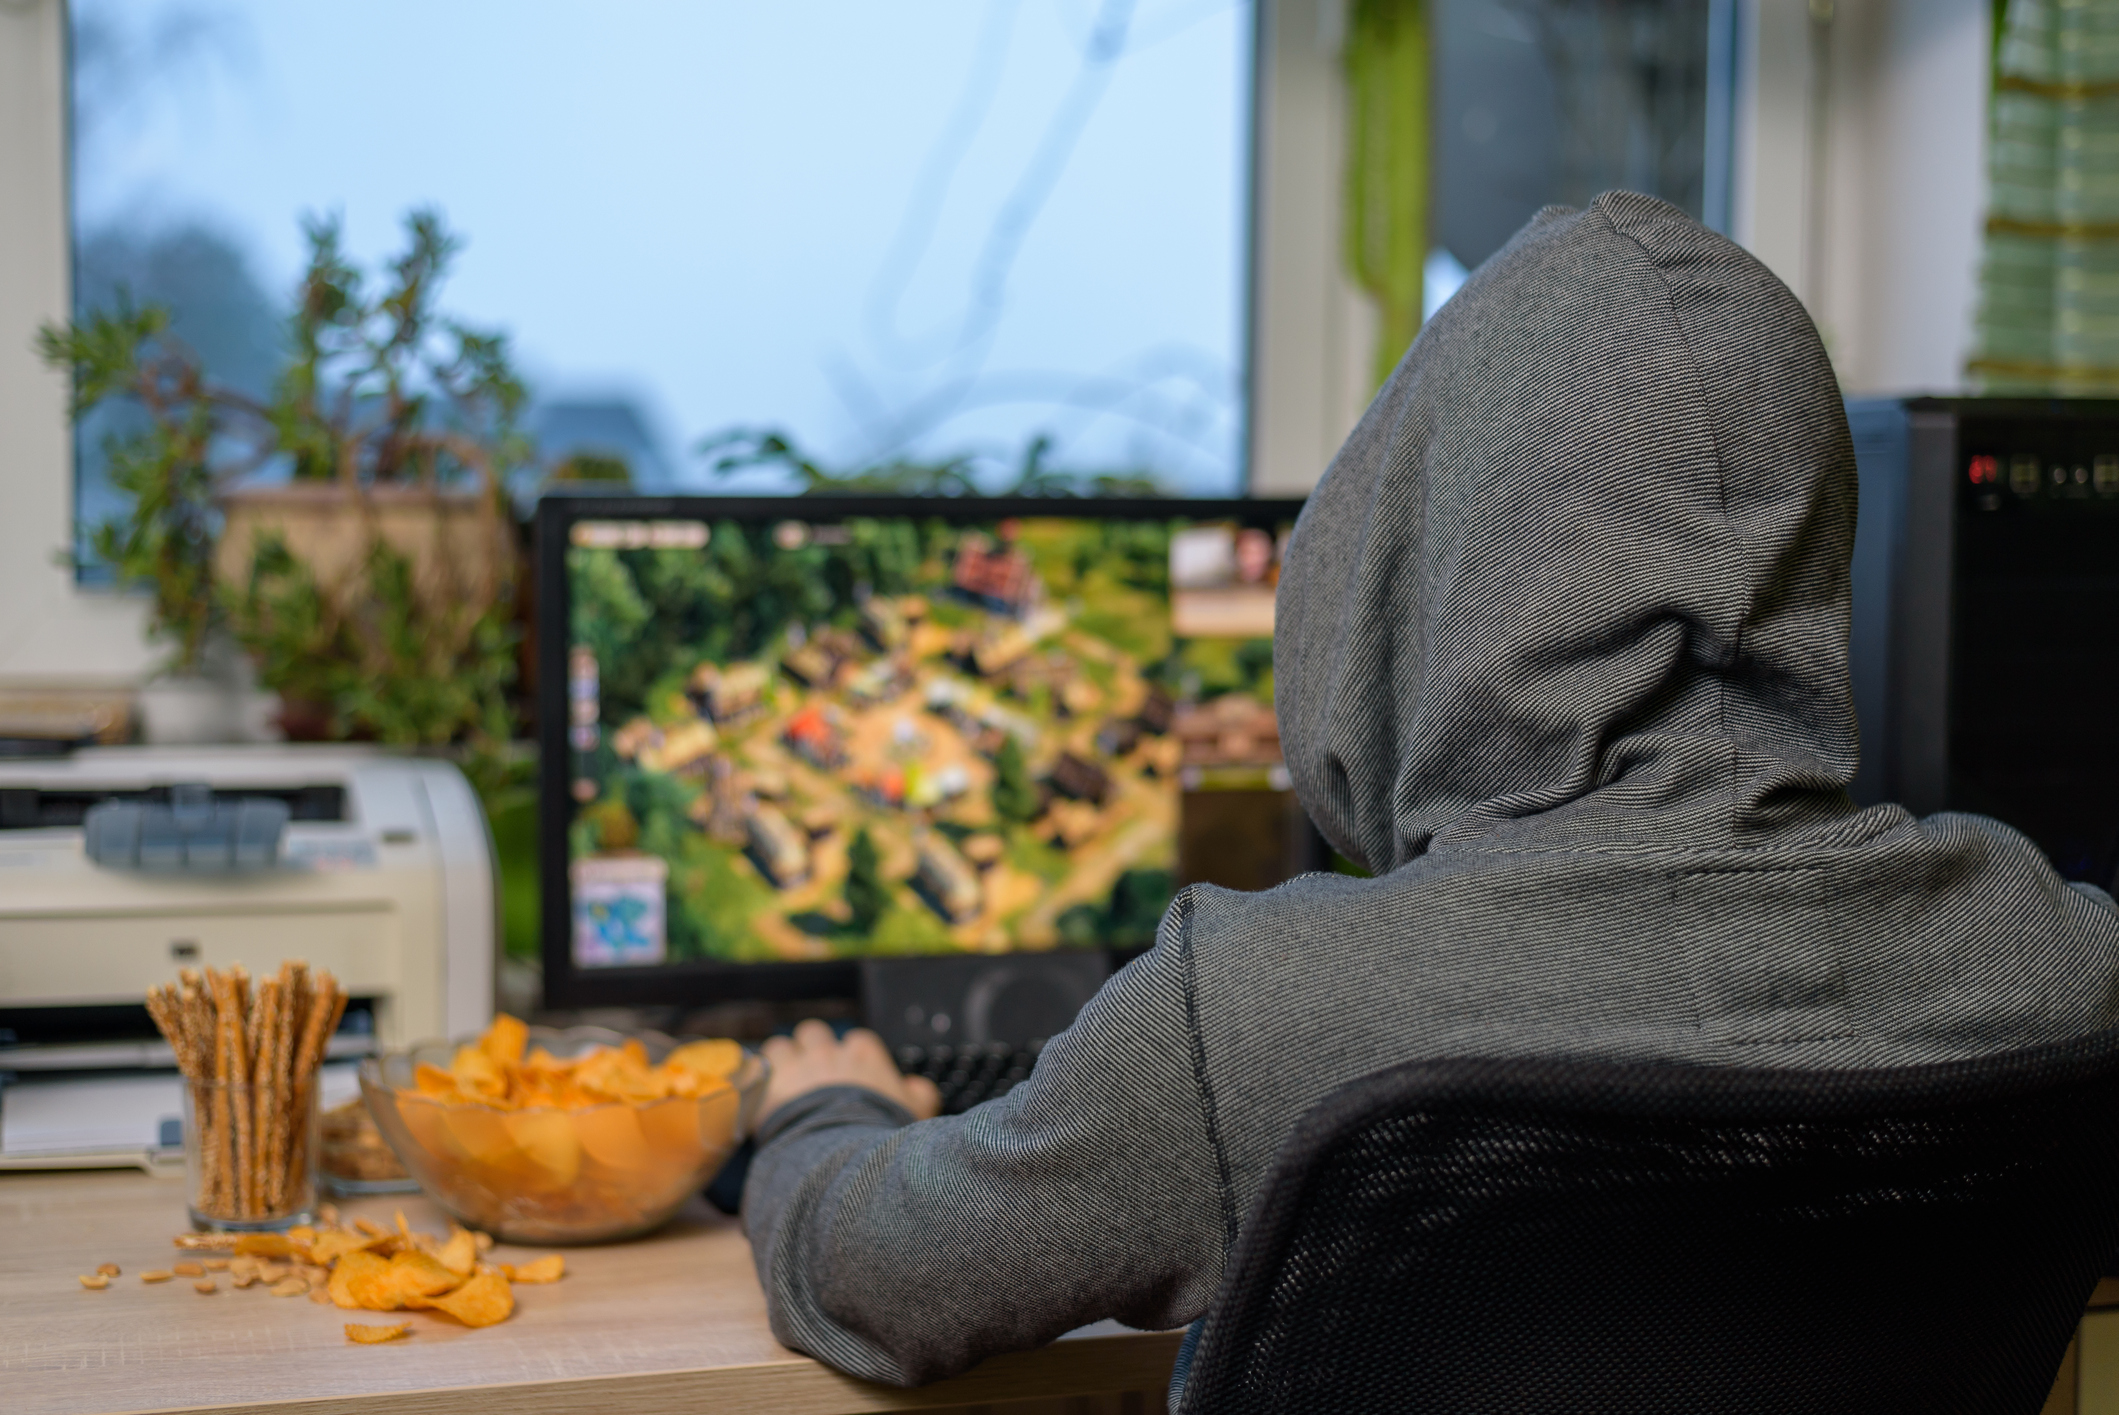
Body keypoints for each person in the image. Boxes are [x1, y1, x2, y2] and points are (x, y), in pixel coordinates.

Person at [742, 191, 2119, 1396]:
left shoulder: (1258, 1013)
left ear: (1416, 560)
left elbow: (894, 1273)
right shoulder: (2053, 953)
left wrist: (819, 1112)